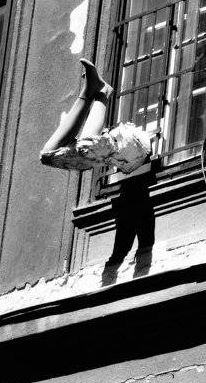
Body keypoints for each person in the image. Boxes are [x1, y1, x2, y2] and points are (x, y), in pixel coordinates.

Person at [40, 58, 154, 285]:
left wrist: (120, 263)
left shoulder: (120, 151)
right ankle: (95, 91)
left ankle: (98, 91)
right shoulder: (110, 154)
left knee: (74, 149)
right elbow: (135, 235)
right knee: (49, 154)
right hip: (127, 149)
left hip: (134, 147)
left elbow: (134, 236)